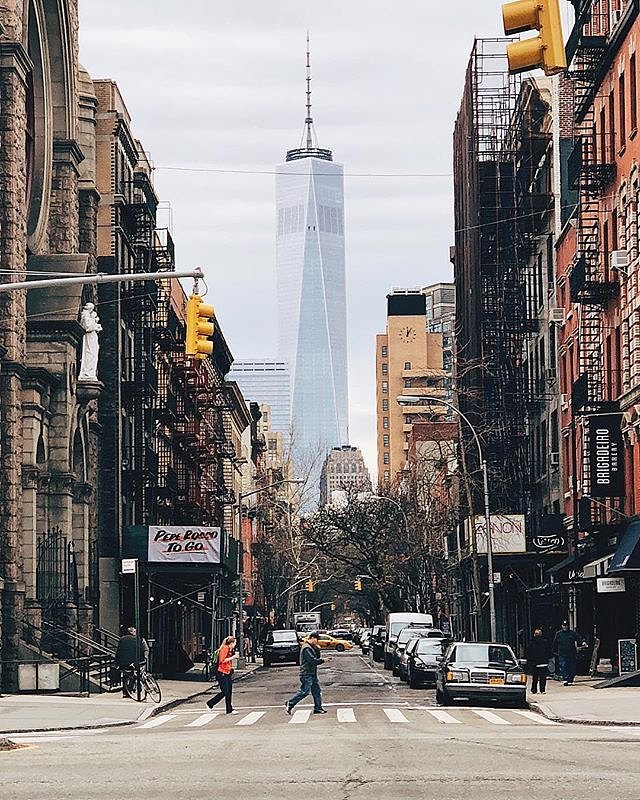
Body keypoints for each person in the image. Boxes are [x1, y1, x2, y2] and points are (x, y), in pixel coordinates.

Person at [285, 631, 331, 715]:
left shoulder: (311, 647)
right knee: (305, 691)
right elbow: (312, 660)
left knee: (316, 691)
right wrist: (323, 660)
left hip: (312, 673)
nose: (317, 641)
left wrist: (317, 649)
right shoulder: (306, 648)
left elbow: (316, 657)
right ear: (312, 638)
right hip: (306, 673)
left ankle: (318, 708)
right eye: (316, 640)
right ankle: (290, 703)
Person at [114, 626, 149, 698]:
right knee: (134, 675)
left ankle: (125, 691)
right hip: (135, 661)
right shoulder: (138, 639)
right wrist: (144, 658)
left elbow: (119, 651)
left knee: (125, 676)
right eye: (134, 632)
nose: (135, 633)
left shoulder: (122, 639)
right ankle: (130, 690)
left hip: (124, 662)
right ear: (132, 632)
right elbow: (142, 650)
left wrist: (117, 662)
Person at [206, 635, 238, 714]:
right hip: (221, 672)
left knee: (229, 691)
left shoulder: (229, 649)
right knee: (225, 691)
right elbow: (222, 660)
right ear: (231, 643)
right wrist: (233, 657)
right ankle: (210, 703)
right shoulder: (225, 648)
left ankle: (229, 708)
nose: (235, 644)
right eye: (235, 643)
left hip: (226, 672)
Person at [553, 620, 581, 686]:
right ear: (562, 626)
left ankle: (570, 679)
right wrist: (554, 651)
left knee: (571, 667)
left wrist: (583, 642)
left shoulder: (572, 633)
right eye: (564, 625)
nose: (565, 627)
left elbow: (578, 638)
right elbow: (555, 643)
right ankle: (565, 679)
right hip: (562, 653)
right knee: (563, 666)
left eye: (566, 626)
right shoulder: (558, 634)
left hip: (571, 653)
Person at [526, 628, 550, 694]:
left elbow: (528, 652)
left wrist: (529, 661)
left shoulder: (532, 642)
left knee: (535, 677)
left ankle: (534, 690)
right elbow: (548, 651)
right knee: (542, 677)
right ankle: (542, 690)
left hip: (536, 663)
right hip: (542, 662)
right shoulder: (544, 642)